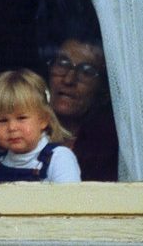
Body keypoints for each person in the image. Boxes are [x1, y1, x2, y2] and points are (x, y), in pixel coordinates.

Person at [0, 69, 81, 183]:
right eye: (3, 120)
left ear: (43, 120)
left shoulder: (59, 158)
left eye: (21, 118)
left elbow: (70, 199)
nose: (12, 127)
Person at [47, 37, 118, 181]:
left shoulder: (107, 151)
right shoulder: (18, 134)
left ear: (104, 91)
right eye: (62, 64)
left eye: (86, 72)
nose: (68, 80)